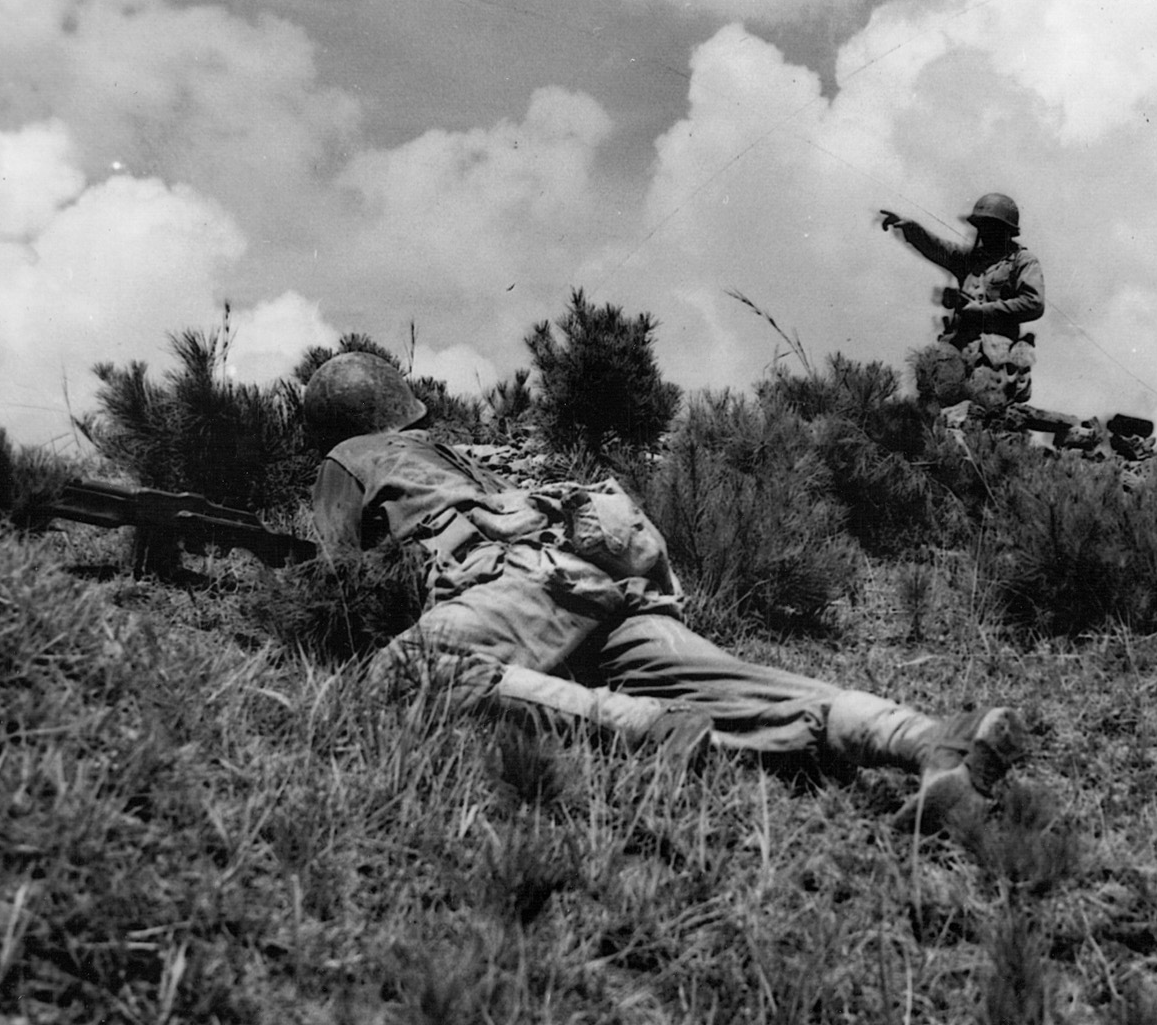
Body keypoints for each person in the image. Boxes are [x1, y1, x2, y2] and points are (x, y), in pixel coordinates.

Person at [304, 352, 1028, 834]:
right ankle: (929, 742)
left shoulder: (349, 457)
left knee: (408, 672)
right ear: (403, 406)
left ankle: (640, 730)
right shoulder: (454, 457)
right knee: (734, 681)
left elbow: (331, 577)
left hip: (508, 588)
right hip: (590, 575)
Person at [879, 193, 1045, 414]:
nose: (985, 231)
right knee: (929, 403)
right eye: (982, 225)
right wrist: (912, 230)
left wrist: (983, 311)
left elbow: (1034, 302)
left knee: (981, 414)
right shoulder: (971, 259)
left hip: (995, 357)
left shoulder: (1022, 261)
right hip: (957, 349)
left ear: (1006, 230)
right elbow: (938, 248)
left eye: (991, 226)